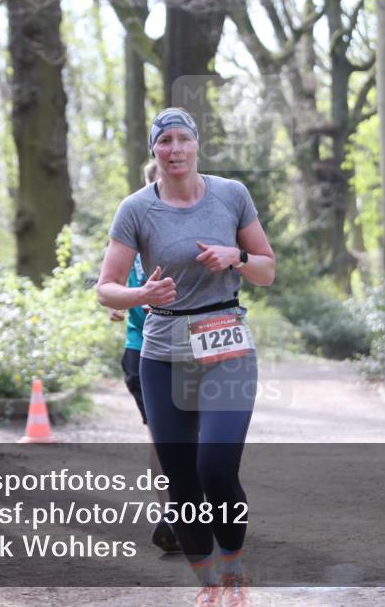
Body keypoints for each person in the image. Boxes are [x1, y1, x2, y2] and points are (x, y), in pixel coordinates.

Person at [97, 107, 275, 607]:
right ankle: (208, 585)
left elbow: (266, 270)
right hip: (162, 352)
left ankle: (234, 562)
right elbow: (107, 288)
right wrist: (141, 296)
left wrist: (235, 257)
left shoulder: (231, 195)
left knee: (216, 468)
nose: (174, 150)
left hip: (227, 344)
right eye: (164, 142)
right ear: (153, 151)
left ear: (197, 145)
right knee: (181, 482)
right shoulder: (136, 209)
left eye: (182, 140)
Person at [106, 160, 180, 554]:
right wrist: (118, 303)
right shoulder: (131, 221)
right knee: (160, 434)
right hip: (143, 348)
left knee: (195, 433)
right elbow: (110, 282)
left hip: (193, 344)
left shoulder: (193, 222)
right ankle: (171, 517)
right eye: (156, 185)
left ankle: (192, 510)